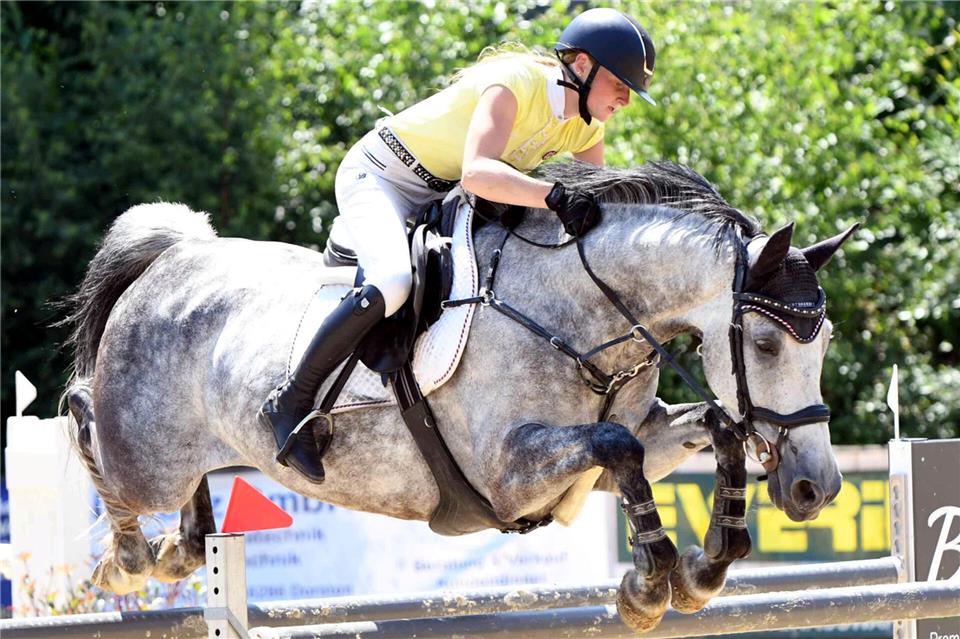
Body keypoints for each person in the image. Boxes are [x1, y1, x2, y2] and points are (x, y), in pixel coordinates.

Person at [259, 7, 657, 483]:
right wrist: (553, 195)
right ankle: (290, 402)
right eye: (622, 85)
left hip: (440, 197)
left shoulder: (586, 125)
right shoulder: (516, 82)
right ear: (584, 66)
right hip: (383, 176)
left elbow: (591, 203)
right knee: (392, 281)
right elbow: (477, 172)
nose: (627, 101)